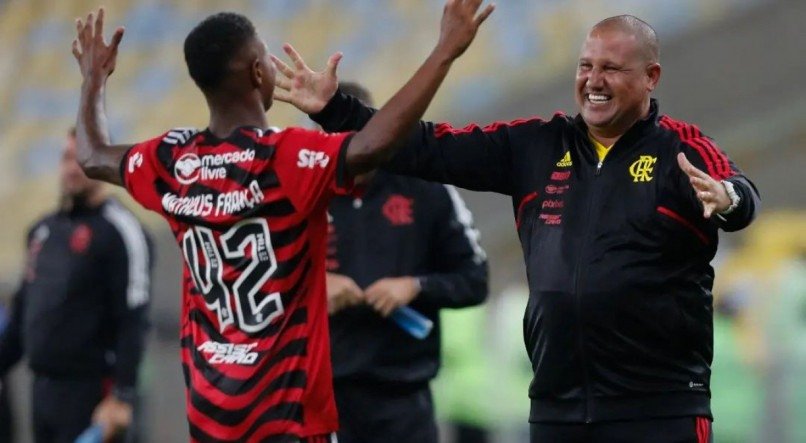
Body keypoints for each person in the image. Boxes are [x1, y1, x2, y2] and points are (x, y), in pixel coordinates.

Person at [275, 14, 761, 443]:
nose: (594, 80)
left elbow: (740, 193)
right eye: (586, 66)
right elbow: (425, 146)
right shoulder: (536, 145)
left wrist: (727, 200)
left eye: (611, 68)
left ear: (651, 76)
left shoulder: (682, 147)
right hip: (557, 409)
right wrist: (334, 109)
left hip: (659, 408)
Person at [69, 2, 493, 441]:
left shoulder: (172, 160)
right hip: (286, 416)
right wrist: (445, 50)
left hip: (211, 414)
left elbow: (92, 155)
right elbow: (375, 144)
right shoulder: (286, 159)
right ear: (257, 72)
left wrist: (93, 80)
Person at [324, 82, 488, 443]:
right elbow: (261, 283)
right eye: (338, 148)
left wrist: (415, 286)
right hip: (324, 399)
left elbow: (475, 280)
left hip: (403, 399)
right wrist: (314, 287)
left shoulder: (425, 187)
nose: (353, 158)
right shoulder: (305, 190)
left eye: (361, 144)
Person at [0, 128, 153, 443]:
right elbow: (20, 322)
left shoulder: (121, 232)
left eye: (82, 158)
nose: (72, 167)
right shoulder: (43, 231)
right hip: (42, 393)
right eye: (66, 158)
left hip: (94, 398)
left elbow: (133, 321)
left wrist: (123, 396)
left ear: (101, 162)